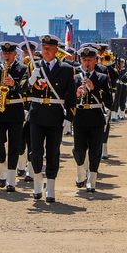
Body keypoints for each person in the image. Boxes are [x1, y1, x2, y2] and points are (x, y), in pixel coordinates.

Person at [26, 35, 76, 202]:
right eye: (43, 47)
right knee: (36, 152)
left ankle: (51, 188)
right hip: (37, 114)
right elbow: (23, 91)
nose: (45, 51)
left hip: (56, 116)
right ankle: (38, 184)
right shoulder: (34, 66)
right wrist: (31, 80)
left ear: (56, 50)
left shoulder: (66, 69)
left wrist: (69, 117)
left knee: (53, 152)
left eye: (49, 48)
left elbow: (71, 97)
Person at [0, 41, 27, 191]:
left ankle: (11, 179)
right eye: (5, 53)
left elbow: (26, 88)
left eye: (10, 53)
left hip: (15, 109)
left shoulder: (22, 68)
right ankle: (2, 168)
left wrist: (14, 85)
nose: (7, 56)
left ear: (15, 54)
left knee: (14, 145)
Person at [73, 45, 112, 192]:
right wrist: (76, 95)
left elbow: (109, 100)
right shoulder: (76, 78)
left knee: (95, 150)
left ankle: (92, 180)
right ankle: (80, 172)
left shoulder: (101, 77)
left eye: (89, 60)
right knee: (78, 150)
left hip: (95, 116)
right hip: (79, 117)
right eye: (84, 60)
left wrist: (94, 88)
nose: (87, 63)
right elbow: (67, 99)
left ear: (95, 60)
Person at [18, 40, 38, 181]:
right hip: (19, 106)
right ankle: (20, 165)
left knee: (32, 140)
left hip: (33, 106)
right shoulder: (18, 67)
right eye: (25, 51)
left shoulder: (37, 67)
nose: (27, 54)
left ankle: (30, 171)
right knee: (19, 140)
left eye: (29, 51)